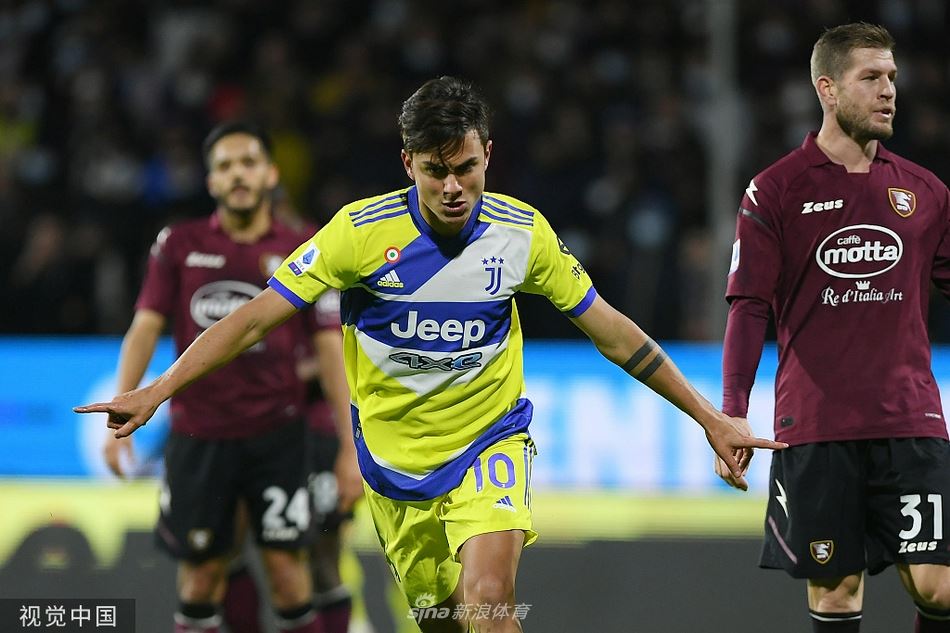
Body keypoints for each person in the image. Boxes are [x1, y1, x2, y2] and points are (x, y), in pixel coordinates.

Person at [78, 76, 785, 633]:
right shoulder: (359, 234)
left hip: (488, 441)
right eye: (435, 170)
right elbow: (253, 317)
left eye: (467, 168)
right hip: (395, 467)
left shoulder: (522, 235)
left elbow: (614, 332)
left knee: (489, 598)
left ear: (488, 156)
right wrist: (158, 388)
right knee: (443, 619)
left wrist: (708, 417)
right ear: (408, 163)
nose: (453, 188)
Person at [717, 22, 950, 633]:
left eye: (892, 77)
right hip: (818, 427)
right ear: (827, 89)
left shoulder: (925, 193)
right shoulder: (775, 191)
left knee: (940, 585)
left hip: (911, 420)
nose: (888, 90)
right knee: (838, 593)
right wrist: (733, 411)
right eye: (870, 77)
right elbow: (748, 306)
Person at [100, 120, 360, 633]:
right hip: (199, 436)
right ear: (210, 180)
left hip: (279, 437)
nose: (238, 174)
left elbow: (331, 349)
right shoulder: (178, 244)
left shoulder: (304, 245)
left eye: (248, 163)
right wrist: (120, 407)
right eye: (225, 166)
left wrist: (350, 447)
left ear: (271, 174)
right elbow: (145, 327)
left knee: (290, 576)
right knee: (200, 580)